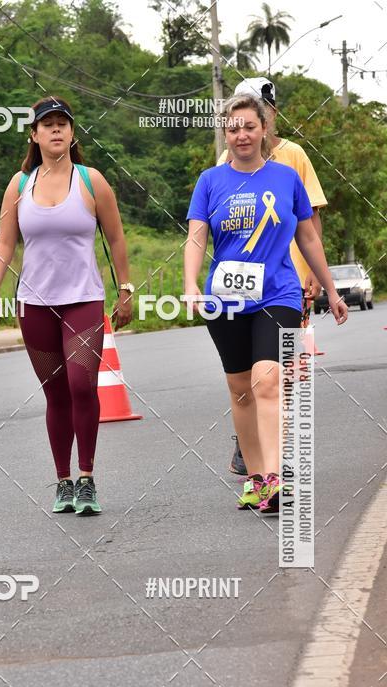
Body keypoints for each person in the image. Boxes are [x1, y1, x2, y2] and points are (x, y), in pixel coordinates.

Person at [184, 93, 347, 513]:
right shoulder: (210, 181)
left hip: (278, 293)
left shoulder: (285, 178)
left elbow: (308, 237)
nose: (241, 134)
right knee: (240, 389)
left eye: (249, 127)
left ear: (264, 130)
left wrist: (330, 289)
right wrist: (190, 285)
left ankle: (275, 477)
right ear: (225, 134)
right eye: (233, 128)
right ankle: (256, 479)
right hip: (226, 299)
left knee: (267, 380)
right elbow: (197, 238)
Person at [0, 96, 133, 515]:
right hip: (35, 305)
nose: (55, 130)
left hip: (83, 300)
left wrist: (126, 289)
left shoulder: (91, 181)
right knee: (55, 393)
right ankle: (63, 481)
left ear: (72, 133)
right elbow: (5, 241)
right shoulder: (19, 185)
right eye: (46, 124)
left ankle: (87, 478)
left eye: (62, 124)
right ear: (34, 135)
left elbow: (116, 237)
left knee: (81, 385)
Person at [219, 78, 328, 477]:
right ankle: (250, 446)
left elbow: (311, 217)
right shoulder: (226, 159)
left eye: (264, 109)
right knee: (247, 376)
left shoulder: (293, 155)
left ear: (270, 115)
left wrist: (316, 272)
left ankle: (274, 455)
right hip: (240, 284)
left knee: (278, 371)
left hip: (287, 281)